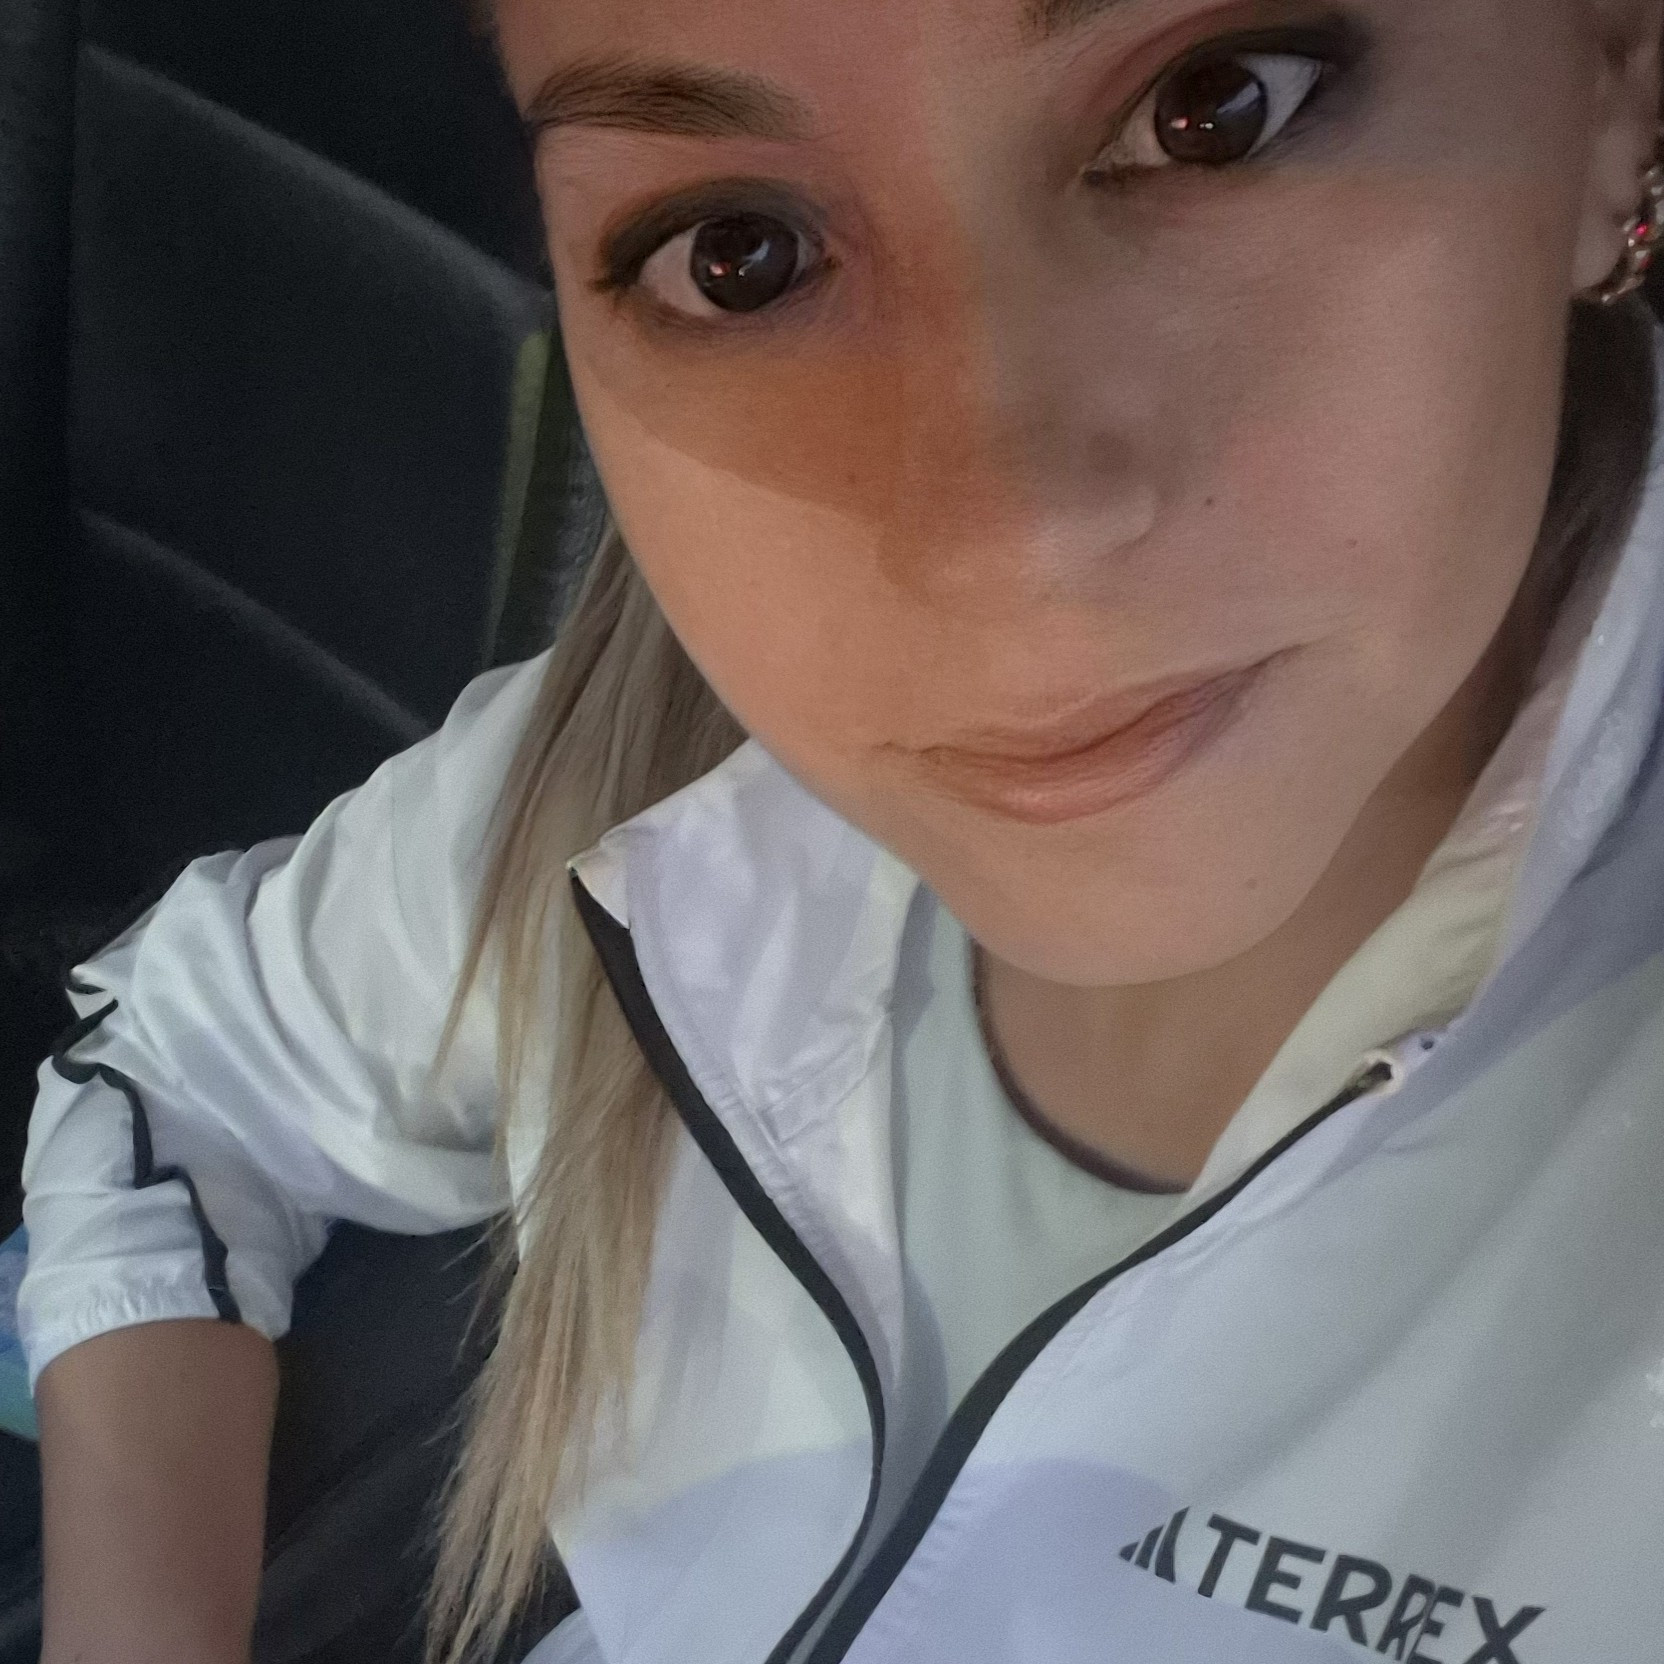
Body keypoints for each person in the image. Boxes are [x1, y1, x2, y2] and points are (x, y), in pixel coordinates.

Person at [20, 1, 1664, 1660]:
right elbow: (175, 1075)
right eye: (736, 255)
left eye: (1214, 109)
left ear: (1614, 82)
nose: (1008, 543)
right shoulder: (650, 779)